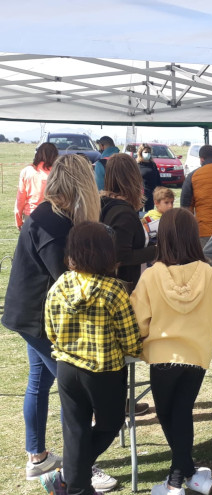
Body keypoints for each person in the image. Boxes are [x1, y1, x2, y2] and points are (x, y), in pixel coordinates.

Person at [1, 154, 118, 490]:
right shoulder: (53, 223)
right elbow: (67, 282)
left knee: (38, 385)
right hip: (38, 320)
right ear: (82, 185)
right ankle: (76, 469)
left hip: (27, 315)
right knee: (77, 397)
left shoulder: (50, 216)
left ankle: (38, 458)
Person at [131, 208, 212, 495]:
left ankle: (175, 482)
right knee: (182, 412)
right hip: (196, 356)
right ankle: (188, 471)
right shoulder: (210, 274)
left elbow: (140, 321)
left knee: (168, 414)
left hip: (162, 357)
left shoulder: (151, 276)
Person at [40, 221, 142, 495]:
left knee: (76, 430)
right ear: (107, 254)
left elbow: (50, 329)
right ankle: (72, 479)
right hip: (103, 372)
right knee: (110, 424)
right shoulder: (114, 290)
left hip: (67, 368)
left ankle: (75, 485)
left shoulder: (60, 284)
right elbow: (131, 342)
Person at [100, 153, 157, 293]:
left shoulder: (103, 204)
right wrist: (157, 250)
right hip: (122, 287)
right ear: (134, 178)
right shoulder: (123, 213)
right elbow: (121, 256)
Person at [14, 142, 58, 229]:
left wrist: (18, 220)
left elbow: (20, 199)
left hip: (31, 215)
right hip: (52, 216)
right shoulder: (58, 172)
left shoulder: (26, 171)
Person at [137, 143, 162, 212]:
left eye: (148, 152)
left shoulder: (153, 165)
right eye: (145, 152)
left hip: (151, 195)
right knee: (138, 214)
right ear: (141, 153)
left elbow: (157, 179)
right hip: (140, 195)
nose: (147, 154)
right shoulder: (137, 165)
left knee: (150, 214)